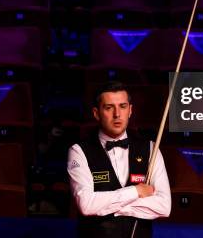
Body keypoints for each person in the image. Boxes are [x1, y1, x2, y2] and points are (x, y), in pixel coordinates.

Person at [67, 82, 171, 238]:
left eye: (122, 106)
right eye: (109, 108)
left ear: (130, 110)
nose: (117, 114)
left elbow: (164, 206)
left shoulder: (151, 149)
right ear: (96, 113)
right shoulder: (79, 151)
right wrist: (136, 191)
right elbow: (86, 205)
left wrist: (114, 207)